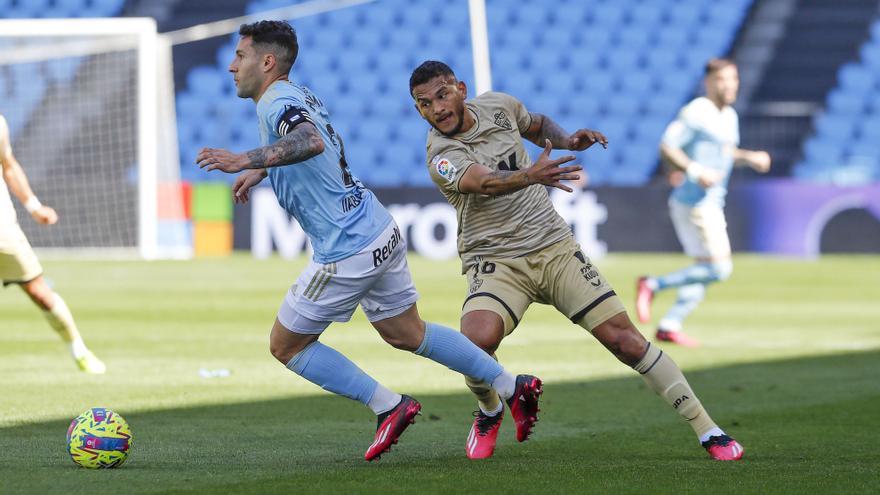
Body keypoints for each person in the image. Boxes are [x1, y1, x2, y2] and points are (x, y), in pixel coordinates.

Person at [196, 21, 542, 462]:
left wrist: (244, 157)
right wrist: (264, 168)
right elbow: (312, 141)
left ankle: (389, 406)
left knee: (286, 346)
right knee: (407, 333)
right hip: (377, 226)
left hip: (347, 247)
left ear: (267, 62)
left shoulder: (278, 101)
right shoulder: (297, 94)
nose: (231, 66)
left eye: (240, 56)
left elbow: (309, 140)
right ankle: (513, 387)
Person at [409, 60, 744, 461]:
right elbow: (484, 182)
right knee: (475, 342)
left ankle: (709, 430)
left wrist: (567, 139)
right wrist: (531, 176)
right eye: (424, 104)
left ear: (461, 89)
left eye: (442, 95)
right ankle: (489, 410)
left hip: (553, 247)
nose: (437, 108)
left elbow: (534, 124)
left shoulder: (499, 105)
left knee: (626, 341)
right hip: (495, 260)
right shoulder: (440, 152)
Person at [636, 58, 771, 347]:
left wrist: (749, 157)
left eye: (733, 79)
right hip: (695, 201)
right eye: (722, 79)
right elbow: (667, 145)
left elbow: (724, 150)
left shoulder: (729, 115)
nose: (730, 85)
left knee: (703, 267)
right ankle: (652, 285)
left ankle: (670, 324)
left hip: (710, 201)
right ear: (708, 83)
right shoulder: (697, 111)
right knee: (720, 269)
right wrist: (695, 171)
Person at [0, 113, 105, 374]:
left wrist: (34, 207)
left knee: (38, 291)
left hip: (3, 229)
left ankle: (79, 350)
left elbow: (8, 165)